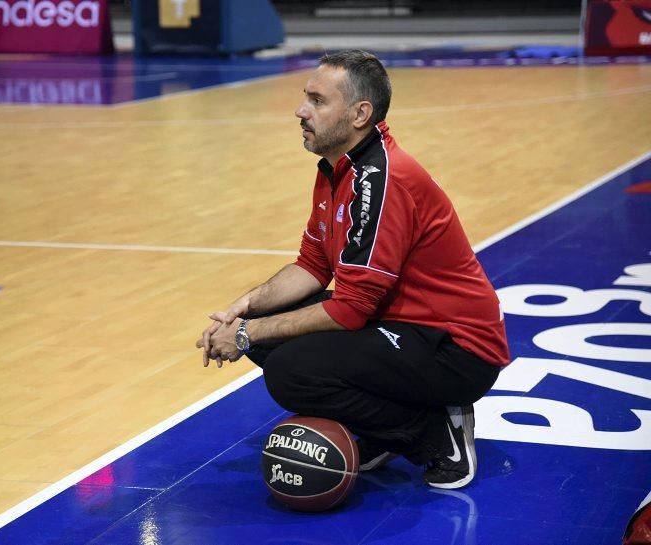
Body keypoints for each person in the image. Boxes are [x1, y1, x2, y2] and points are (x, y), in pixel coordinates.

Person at [196, 50, 510, 489]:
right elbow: (312, 265)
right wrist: (243, 309)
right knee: (267, 327)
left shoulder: (380, 180)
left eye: (318, 101)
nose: (300, 111)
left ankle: (434, 433)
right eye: (306, 97)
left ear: (361, 113)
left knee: (291, 373)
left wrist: (246, 335)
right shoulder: (336, 168)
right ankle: (383, 430)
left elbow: (351, 311)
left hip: (456, 348)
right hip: (402, 324)